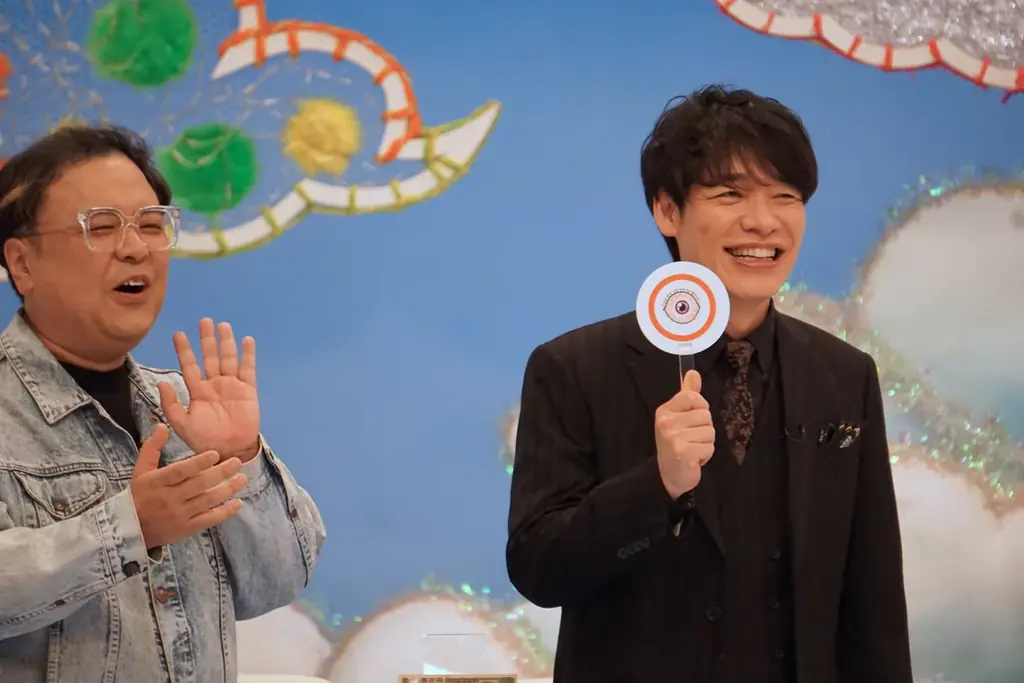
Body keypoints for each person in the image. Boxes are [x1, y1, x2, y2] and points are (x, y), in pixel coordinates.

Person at [506, 85, 913, 683]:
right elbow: (538, 568)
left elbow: (874, 603)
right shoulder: (573, 368)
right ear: (667, 210)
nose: (763, 221)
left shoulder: (844, 375)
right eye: (730, 195)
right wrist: (658, 485)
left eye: (785, 196)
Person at [0, 125, 326, 682]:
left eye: (152, 225)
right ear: (23, 263)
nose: (135, 248)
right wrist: (129, 528)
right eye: (102, 226)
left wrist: (240, 458)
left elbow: (278, 582)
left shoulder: (180, 408)